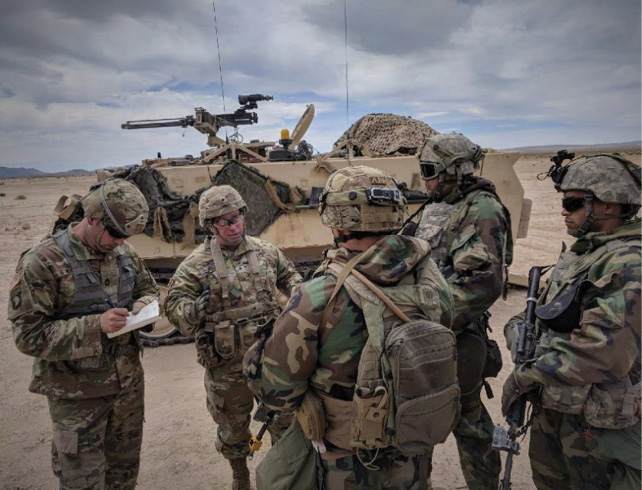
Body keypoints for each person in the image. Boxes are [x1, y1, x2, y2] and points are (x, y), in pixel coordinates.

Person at [245, 166, 455, 489]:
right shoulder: (431, 278)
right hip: (413, 450)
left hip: (345, 463)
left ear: (337, 221)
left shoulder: (317, 295)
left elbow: (278, 393)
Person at [8, 178, 159, 490]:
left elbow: (148, 287)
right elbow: (28, 335)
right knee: (82, 483)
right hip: (77, 400)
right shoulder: (42, 262)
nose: (121, 242)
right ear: (92, 219)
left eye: (126, 235)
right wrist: (96, 326)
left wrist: (144, 304)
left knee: (123, 478)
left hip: (127, 391)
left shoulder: (124, 253)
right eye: (116, 234)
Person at [502, 154, 641, 489]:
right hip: (561, 410)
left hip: (601, 428)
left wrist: (525, 375)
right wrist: (518, 330)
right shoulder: (583, 253)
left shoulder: (628, 264)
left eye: (573, 203)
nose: (564, 211)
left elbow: (603, 353)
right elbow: (539, 314)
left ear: (608, 205)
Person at [164, 185, 301, 490]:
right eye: (224, 221)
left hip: (271, 358)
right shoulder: (196, 265)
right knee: (233, 427)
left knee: (285, 421)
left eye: (237, 216)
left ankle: (283, 477)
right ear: (210, 225)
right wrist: (196, 308)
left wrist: (298, 297)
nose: (234, 225)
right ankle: (240, 476)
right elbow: (174, 309)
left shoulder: (266, 251)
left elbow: (291, 278)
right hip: (227, 365)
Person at [411, 133, 512, 489]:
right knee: (417, 424)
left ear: (456, 170)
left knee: (468, 423)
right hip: (426, 335)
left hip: (455, 338)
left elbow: (482, 285)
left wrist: (424, 322)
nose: (424, 178)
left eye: (429, 170)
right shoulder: (442, 203)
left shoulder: (482, 209)